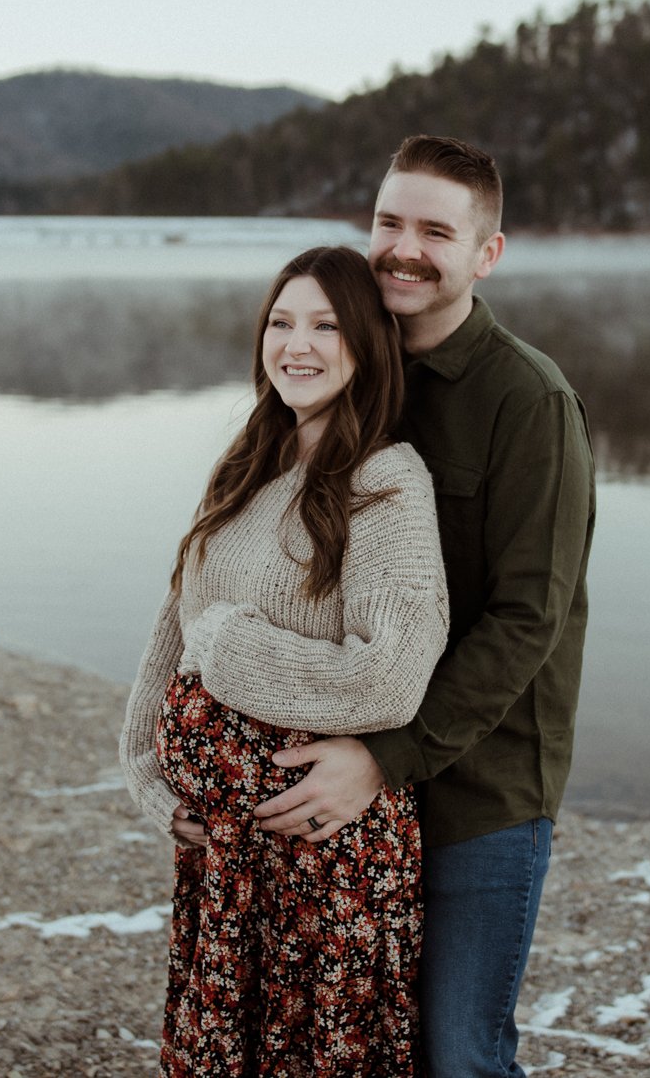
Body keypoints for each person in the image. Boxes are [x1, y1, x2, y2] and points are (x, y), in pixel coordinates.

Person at [252, 136, 597, 1078]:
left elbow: (530, 618)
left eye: (435, 231)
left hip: (478, 789)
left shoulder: (529, 401)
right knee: (361, 1045)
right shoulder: (348, 373)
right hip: (346, 777)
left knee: (460, 1055)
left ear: (486, 253)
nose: (403, 248)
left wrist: (386, 757)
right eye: (388, 222)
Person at [119, 244, 449, 1077]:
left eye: (326, 325)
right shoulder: (249, 459)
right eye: (281, 322)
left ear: (368, 343)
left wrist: (232, 649)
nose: (295, 344)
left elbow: (393, 675)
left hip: (323, 859)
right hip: (229, 858)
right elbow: (176, 617)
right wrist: (147, 770)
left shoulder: (386, 480)